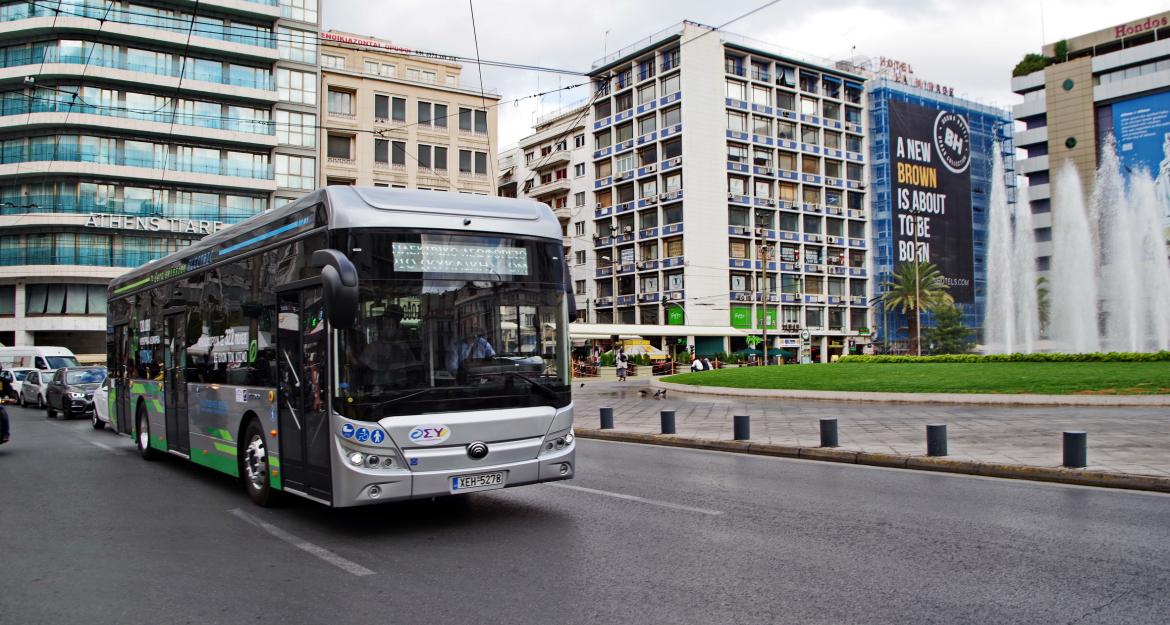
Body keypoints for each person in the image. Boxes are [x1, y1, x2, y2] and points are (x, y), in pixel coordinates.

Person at [0, 366, 12, 444]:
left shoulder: (3, 381)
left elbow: (9, 391)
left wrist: (10, 398)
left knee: (3, 414)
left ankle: (5, 434)